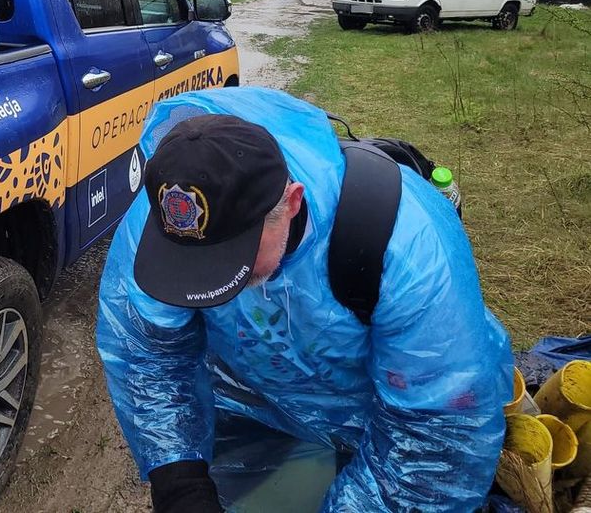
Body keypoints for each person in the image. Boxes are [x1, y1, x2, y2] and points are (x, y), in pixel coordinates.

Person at [97, 86, 512, 513]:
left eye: (231, 258)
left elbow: (433, 434)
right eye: (190, 263)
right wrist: (179, 479)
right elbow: (146, 356)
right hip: (260, 401)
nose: (215, 283)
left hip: (387, 414)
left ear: (291, 203)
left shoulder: (407, 246)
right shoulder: (174, 218)